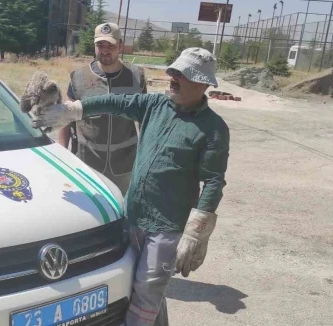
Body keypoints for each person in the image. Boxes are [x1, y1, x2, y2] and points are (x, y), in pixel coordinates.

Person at [32, 47, 230, 326]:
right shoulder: (154, 105)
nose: (172, 77)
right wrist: (73, 110)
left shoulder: (213, 129)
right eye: (172, 71)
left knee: (147, 293)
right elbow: (115, 101)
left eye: (181, 74)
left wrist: (196, 233)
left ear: (203, 83)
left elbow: (213, 181)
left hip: (167, 226)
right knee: (128, 287)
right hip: (133, 215)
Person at [57, 22, 147, 195]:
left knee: (122, 209)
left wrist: (146, 155)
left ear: (120, 46)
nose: (105, 50)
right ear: (94, 46)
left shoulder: (136, 76)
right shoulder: (79, 77)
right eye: (100, 45)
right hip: (86, 162)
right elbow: (67, 117)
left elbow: (144, 118)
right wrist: (62, 152)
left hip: (125, 164)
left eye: (111, 45)